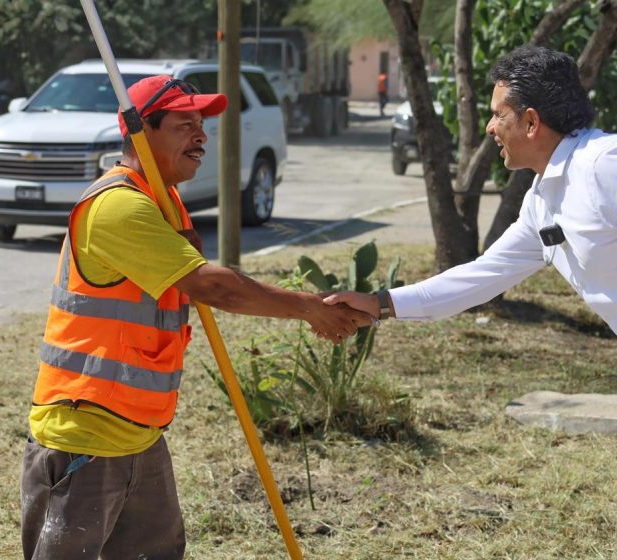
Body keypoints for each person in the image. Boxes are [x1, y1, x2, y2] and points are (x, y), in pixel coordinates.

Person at [325, 45, 617, 560]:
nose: (490, 128)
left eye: (497, 115)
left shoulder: (612, 165)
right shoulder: (545, 195)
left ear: (531, 122)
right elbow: (482, 276)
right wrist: (380, 304)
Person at [19, 75, 368, 560]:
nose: (201, 136)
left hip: (139, 435)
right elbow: (213, 285)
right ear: (142, 132)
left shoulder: (163, 201)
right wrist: (309, 308)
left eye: (201, 124)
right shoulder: (117, 207)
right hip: (86, 435)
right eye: (185, 125)